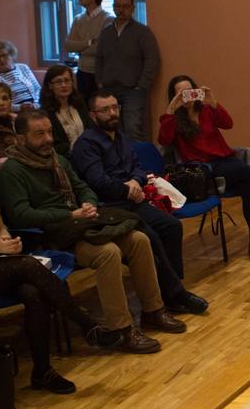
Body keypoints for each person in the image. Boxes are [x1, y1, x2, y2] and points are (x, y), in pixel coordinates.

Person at [0, 140, 123, 394]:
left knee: (33, 292)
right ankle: (87, 324)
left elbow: (0, 226)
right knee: (29, 265)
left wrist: (7, 240)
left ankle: (43, 371)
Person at [0, 109, 182, 352]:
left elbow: (83, 187)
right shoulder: (12, 171)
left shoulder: (57, 160)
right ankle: (121, 329)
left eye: (49, 132)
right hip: (52, 237)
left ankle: (153, 310)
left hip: (82, 224)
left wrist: (88, 203)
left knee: (138, 239)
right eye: (39, 134)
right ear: (21, 139)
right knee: (108, 252)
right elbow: (21, 215)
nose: (48, 139)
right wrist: (68, 215)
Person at [70, 90, 209, 313]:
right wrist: (127, 189)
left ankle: (172, 289)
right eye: (105, 110)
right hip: (109, 207)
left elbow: (138, 167)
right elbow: (97, 181)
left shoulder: (122, 136)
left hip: (132, 200)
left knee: (171, 226)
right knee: (149, 236)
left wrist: (135, 181)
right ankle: (175, 294)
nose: (112, 113)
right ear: (93, 115)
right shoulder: (86, 144)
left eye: (115, 107)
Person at [158, 75, 250, 263]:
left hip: (225, 163)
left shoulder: (205, 111)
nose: (187, 96)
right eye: (181, 93)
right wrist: (171, 110)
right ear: (174, 97)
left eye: (190, 90)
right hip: (203, 171)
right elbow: (163, 140)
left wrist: (213, 103)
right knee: (247, 172)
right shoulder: (174, 120)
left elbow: (228, 124)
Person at [93, 0, 159, 141]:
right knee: (111, 129)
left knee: (133, 128)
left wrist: (142, 85)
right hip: (109, 89)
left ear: (133, 8)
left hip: (133, 90)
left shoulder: (142, 32)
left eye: (125, 6)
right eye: (117, 6)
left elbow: (152, 60)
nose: (121, 10)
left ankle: (137, 162)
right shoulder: (106, 32)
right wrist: (100, 81)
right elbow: (99, 59)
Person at [64, 0, 112, 99]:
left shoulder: (108, 19)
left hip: (100, 74)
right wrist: (90, 42)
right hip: (82, 72)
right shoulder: (78, 19)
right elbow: (68, 46)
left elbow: (100, 49)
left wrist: (80, 47)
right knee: (84, 108)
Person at [40, 64, 89, 158]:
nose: (64, 85)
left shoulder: (79, 104)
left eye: (67, 80)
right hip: (65, 159)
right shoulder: (45, 113)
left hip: (88, 153)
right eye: (58, 82)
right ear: (50, 85)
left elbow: (90, 129)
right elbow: (52, 145)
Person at [0, 40, 41, 111]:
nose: (1, 59)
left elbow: (37, 88)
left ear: (12, 55)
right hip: (14, 111)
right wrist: (19, 107)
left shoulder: (23, 67)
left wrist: (36, 104)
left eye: (4, 55)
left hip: (35, 105)